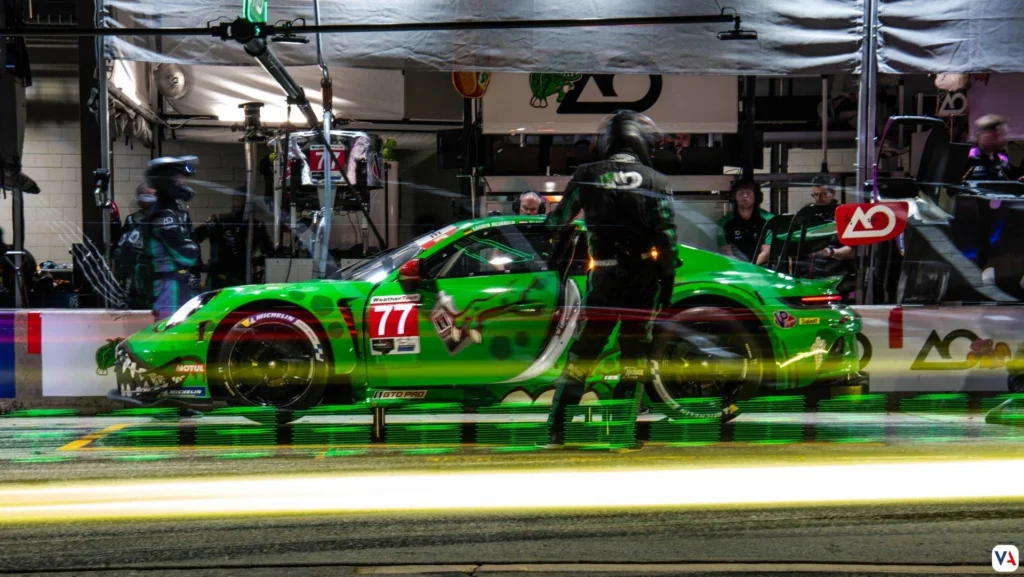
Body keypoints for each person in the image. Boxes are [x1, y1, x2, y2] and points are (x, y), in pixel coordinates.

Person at [543, 110, 679, 448]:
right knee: (634, 355)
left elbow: (558, 221)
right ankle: (621, 433)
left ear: (608, 141)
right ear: (638, 141)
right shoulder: (656, 180)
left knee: (584, 352)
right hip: (643, 276)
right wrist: (667, 283)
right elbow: (667, 237)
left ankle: (557, 430)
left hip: (603, 275)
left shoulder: (587, 174)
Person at [141, 156, 201, 320]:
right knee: (170, 328)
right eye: (179, 179)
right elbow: (187, 254)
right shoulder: (163, 214)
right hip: (169, 286)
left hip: (179, 283)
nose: (183, 183)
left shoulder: (172, 210)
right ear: (167, 181)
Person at [194, 191, 274, 289]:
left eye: (241, 200)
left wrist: (254, 262)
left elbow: (270, 253)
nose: (237, 203)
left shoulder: (256, 226)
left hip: (242, 276)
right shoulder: (218, 221)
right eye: (236, 199)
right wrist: (199, 265)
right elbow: (194, 239)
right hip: (219, 276)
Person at [113, 183, 156, 309]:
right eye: (145, 195)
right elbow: (122, 248)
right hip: (135, 269)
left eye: (152, 195)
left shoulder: (167, 219)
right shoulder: (133, 220)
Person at [716, 180, 773, 265]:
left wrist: (750, 268)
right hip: (736, 267)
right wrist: (741, 268)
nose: (745, 196)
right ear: (734, 197)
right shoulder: (724, 223)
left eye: (749, 193)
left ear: (756, 196)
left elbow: (766, 253)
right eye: (740, 193)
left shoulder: (769, 220)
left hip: (762, 268)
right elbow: (726, 252)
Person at [965, 114, 1013, 181]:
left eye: (1002, 134)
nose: (1001, 138)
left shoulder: (1003, 160)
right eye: (995, 135)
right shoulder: (967, 157)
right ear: (979, 135)